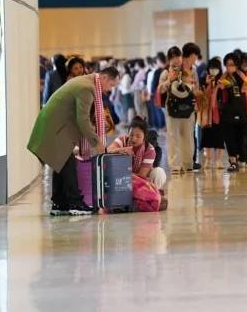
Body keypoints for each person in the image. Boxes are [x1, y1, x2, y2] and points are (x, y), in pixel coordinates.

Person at [27, 66, 119, 216]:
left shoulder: (86, 82)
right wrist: (96, 143)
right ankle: (75, 203)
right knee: (67, 164)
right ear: (104, 78)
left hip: (53, 125)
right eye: (111, 85)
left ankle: (60, 203)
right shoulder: (87, 88)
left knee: (61, 163)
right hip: (54, 127)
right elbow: (82, 120)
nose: (110, 90)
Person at [158, 44, 201, 174]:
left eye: (178, 56)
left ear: (181, 57)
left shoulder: (191, 71)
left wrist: (192, 87)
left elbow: (196, 89)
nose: (176, 60)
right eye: (172, 58)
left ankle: (187, 163)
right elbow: (160, 90)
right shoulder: (166, 72)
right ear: (169, 59)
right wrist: (169, 80)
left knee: (188, 137)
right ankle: (175, 165)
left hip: (188, 109)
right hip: (172, 109)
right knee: (173, 137)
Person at [107, 116, 167, 191]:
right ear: (128, 133)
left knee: (159, 172)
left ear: (144, 137)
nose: (134, 139)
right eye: (131, 135)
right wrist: (121, 150)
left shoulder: (149, 150)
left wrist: (125, 176)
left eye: (138, 136)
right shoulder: (122, 140)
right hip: (120, 178)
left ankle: (153, 191)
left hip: (139, 180)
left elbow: (141, 176)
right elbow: (107, 150)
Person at [217, 52, 247, 172]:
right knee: (229, 137)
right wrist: (221, 87)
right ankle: (233, 161)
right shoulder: (223, 78)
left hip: (242, 110)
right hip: (227, 111)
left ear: (237, 65)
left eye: (232, 64)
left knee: (242, 136)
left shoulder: (243, 76)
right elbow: (218, 94)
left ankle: (241, 158)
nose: (230, 67)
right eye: (227, 64)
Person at [199, 57, 225, 170]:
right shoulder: (203, 80)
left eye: (216, 68)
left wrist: (221, 87)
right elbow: (201, 96)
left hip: (219, 112)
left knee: (220, 136)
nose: (214, 70)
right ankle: (208, 160)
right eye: (212, 68)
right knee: (207, 136)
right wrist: (207, 84)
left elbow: (225, 97)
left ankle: (219, 160)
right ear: (208, 69)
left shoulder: (223, 80)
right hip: (206, 112)